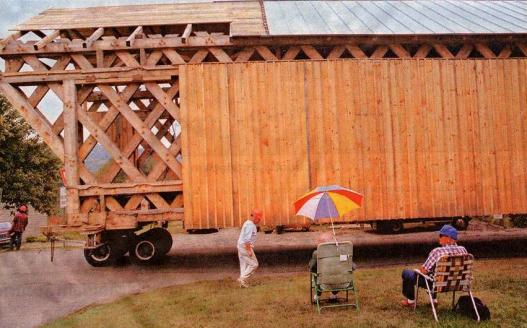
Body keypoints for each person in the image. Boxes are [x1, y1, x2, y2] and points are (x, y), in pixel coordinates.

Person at [400, 224, 468, 307]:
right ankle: (433, 300)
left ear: (449, 238)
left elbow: (424, 271)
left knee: (407, 273)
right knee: (433, 274)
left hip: (437, 284)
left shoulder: (438, 252)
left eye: (441, 236)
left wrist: (421, 270)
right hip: (457, 283)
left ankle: (411, 301)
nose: (439, 238)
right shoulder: (463, 250)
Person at [310, 232, 356, 302]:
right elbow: (353, 267)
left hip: (323, 284)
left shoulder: (317, 254)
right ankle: (333, 295)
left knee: (317, 275)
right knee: (338, 273)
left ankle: (317, 297)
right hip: (343, 283)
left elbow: (311, 267)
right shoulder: (343, 252)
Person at [237, 209, 263, 288]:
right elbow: (247, 239)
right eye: (259, 219)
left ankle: (243, 284)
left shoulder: (247, 223)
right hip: (245, 246)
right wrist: (248, 250)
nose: (259, 221)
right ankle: (243, 279)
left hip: (240, 245)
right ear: (255, 217)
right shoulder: (250, 225)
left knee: (244, 265)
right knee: (254, 264)